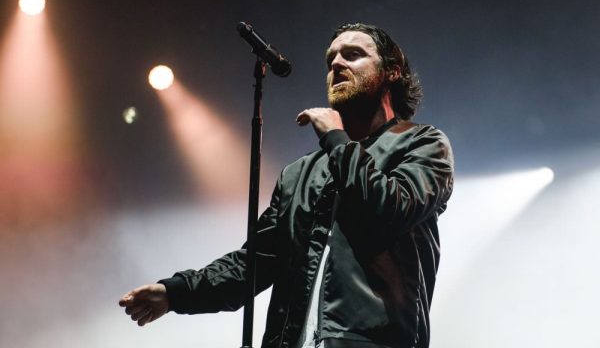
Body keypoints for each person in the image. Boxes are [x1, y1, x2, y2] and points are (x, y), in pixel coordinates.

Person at [119, 23, 454, 348]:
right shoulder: (300, 174)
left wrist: (336, 139)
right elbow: (254, 264)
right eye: (331, 59)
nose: (336, 64)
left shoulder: (424, 144)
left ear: (392, 72)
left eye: (352, 55)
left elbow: (389, 208)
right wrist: (176, 292)